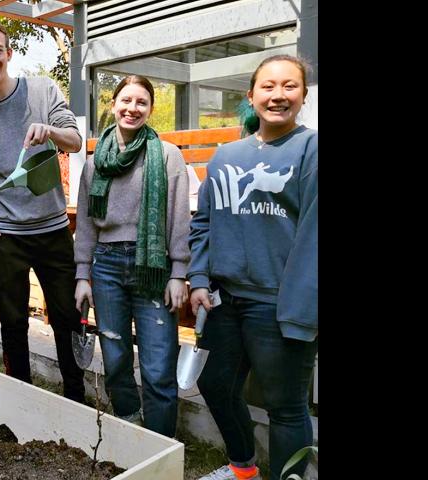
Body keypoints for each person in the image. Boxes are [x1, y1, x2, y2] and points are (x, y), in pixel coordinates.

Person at [190, 54, 318, 480]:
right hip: (225, 299)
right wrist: (198, 278)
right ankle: (244, 469)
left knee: (285, 407)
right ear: (250, 95)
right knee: (215, 385)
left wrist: (300, 314)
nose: (278, 95)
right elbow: (204, 221)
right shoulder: (226, 155)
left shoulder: (311, 150)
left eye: (289, 86)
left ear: (303, 94)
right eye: (268, 86)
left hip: (279, 305)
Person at [0, 18, 85, 403]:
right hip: (5, 237)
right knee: (12, 324)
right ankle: (20, 399)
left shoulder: (42, 90)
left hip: (53, 231)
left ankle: (74, 397)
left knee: (65, 319)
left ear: (9, 53)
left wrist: (49, 130)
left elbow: (75, 141)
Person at [73, 75, 190, 437]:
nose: (132, 108)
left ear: (151, 109)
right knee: (117, 356)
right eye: (126, 100)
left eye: (141, 102)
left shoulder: (168, 156)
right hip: (106, 266)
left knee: (158, 363)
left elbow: (179, 216)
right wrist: (82, 275)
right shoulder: (95, 163)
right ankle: (129, 426)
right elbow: (87, 223)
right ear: (113, 104)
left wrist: (178, 272)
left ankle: (160, 442)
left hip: (152, 268)